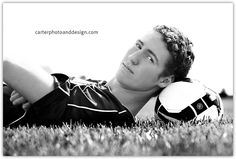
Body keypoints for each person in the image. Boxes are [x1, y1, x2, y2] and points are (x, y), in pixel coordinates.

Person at [3, 25, 195, 127]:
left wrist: (29, 81)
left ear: (164, 80)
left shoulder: (104, 109)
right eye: (138, 45)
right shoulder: (100, 87)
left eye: (150, 58)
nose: (134, 57)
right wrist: (35, 80)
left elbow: (9, 65)